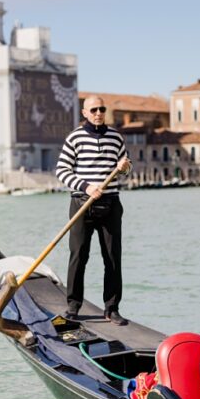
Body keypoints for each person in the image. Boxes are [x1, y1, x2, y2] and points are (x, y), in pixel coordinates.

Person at [56, 95, 132, 325]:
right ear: (85, 113)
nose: (99, 113)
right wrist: (86, 186)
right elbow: (61, 170)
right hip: (82, 204)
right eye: (94, 109)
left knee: (112, 258)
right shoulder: (75, 138)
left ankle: (112, 308)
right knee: (78, 256)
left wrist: (125, 167)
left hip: (110, 205)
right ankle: (73, 306)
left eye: (102, 109)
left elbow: (126, 170)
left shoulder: (116, 137)